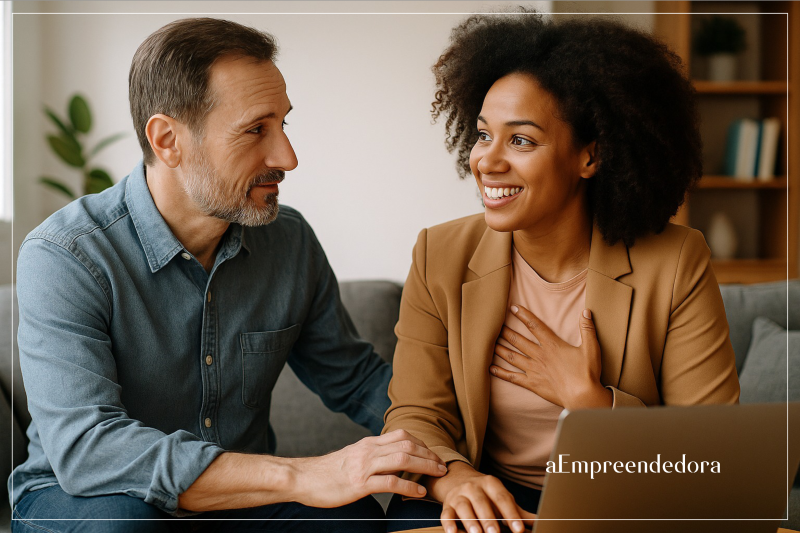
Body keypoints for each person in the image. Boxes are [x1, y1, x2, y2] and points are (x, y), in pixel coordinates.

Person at [10, 17, 446, 533]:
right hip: (85, 497)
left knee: (351, 521)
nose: (288, 157)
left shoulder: (289, 240)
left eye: (285, 124)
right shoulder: (66, 255)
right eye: (256, 129)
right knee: (125, 524)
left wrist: (453, 461)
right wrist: (302, 476)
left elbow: (357, 381)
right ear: (168, 139)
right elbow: (89, 449)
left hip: (239, 499)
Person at [382, 11, 740, 533]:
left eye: (521, 141)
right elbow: (416, 413)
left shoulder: (676, 260)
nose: (487, 161)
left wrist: (592, 403)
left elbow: (711, 450)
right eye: (484, 136)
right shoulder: (440, 253)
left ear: (590, 156)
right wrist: (456, 478)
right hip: (487, 496)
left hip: (621, 500)